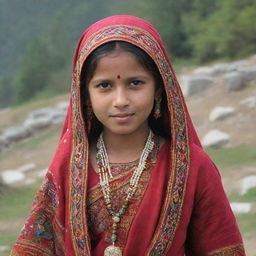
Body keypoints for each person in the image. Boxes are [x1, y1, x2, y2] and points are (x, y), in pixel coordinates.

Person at [10, 15, 245, 256]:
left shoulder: (194, 167)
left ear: (159, 89)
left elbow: (222, 246)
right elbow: (36, 248)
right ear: (85, 94)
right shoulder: (67, 167)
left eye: (135, 83)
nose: (121, 101)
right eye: (104, 86)